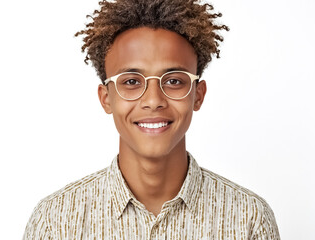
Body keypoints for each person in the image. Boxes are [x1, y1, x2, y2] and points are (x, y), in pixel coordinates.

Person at [23, 0, 280, 239]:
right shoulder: (55, 222)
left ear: (198, 95)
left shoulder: (249, 219)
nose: (153, 99)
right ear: (106, 98)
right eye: (132, 82)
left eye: (174, 81)